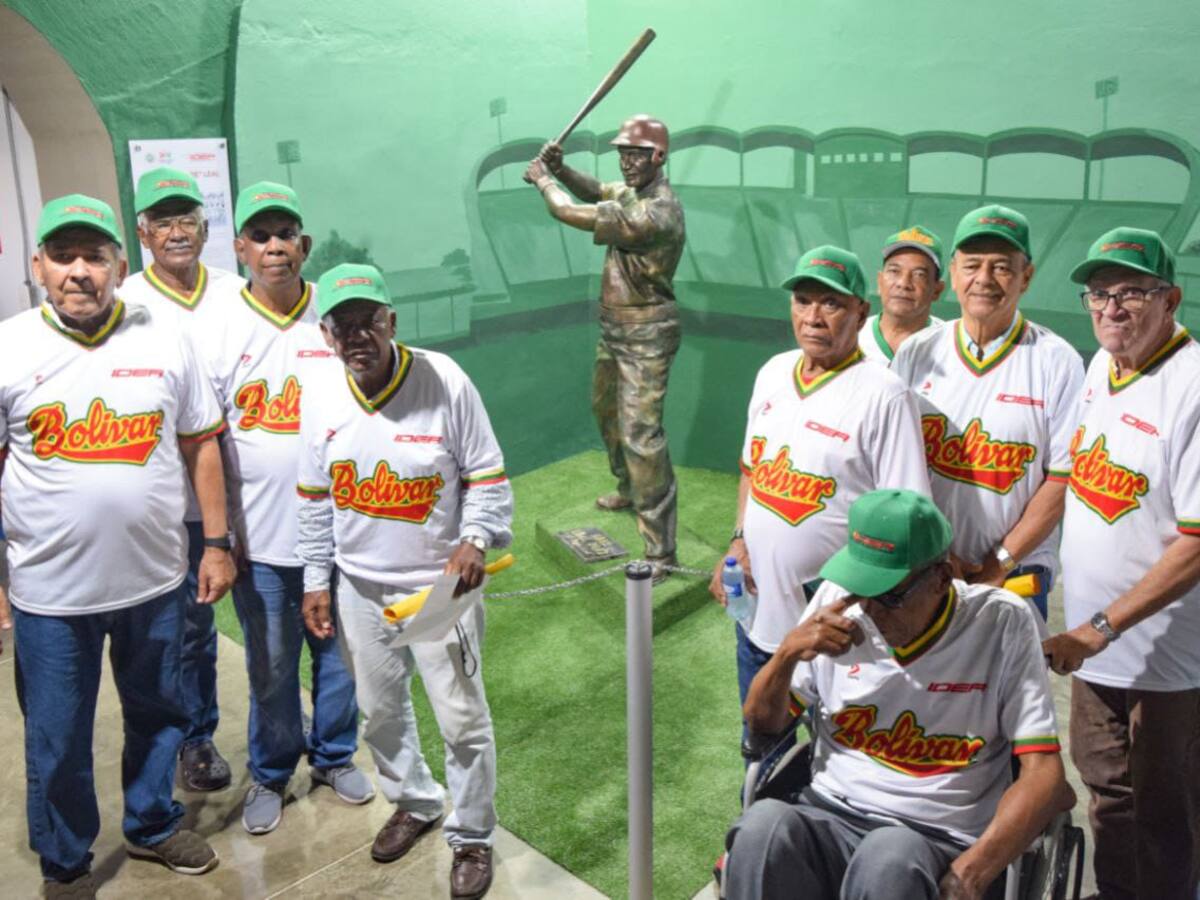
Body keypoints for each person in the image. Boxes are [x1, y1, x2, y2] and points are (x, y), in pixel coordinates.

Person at [0, 195, 235, 897]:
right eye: (63, 256)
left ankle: (154, 823)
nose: (80, 271)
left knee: (160, 715)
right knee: (57, 737)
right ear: (38, 266)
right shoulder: (9, 345)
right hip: (48, 594)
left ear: (118, 265)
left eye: (94, 257)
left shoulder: (164, 338)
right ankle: (66, 859)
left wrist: (216, 544)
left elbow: (201, 446)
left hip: (156, 580)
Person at [725, 489, 1073, 900]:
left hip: (938, 837)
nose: (868, 610)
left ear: (942, 578)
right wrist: (786, 654)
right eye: (860, 587)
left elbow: (1046, 778)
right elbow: (763, 724)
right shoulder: (836, 604)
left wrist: (974, 872)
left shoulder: (1001, 622)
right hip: (829, 812)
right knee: (761, 828)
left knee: (889, 857)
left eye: (889, 594)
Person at [297, 264, 512, 899]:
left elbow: (488, 474)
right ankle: (417, 801)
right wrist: (315, 579)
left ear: (392, 321)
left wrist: (474, 540)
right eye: (343, 324)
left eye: (370, 320)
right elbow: (314, 501)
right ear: (327, 334)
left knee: (461, 719)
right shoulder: (323, 396)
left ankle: (472, 835)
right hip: (359, 585)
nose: (358, 334)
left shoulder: (445, 380)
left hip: (438, 588)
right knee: (380, 714)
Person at [197, 181, 370, 835]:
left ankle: (333, 756)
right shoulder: (218, 327)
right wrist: (221, 535)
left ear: (306, 244)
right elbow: (207, 437)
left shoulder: (337, 311)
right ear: (240, 247)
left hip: (343, 531)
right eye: (261, 235)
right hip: (262, 537)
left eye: (286, 233)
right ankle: (271, 774)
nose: (276, 246)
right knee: (270, 665)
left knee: (339, 655)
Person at [708, 246, 930, 721]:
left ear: (860, 311)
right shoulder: (772, 372)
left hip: (833, 630)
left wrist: (850, 601)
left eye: (830, 303)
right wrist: (738, 542)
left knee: (835, 764)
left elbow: (904, 517)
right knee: (762, 745)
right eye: (803, 300)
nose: (813, 317)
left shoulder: (884, 394)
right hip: (757, 614)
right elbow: (752, 469)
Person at [1043, 228, 1200, 900]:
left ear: (1171, 298)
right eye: (1099, 294)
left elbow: (1196, 543)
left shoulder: (1191, 384)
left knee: (1167, 811)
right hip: (1097, 646)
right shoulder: (1100, 367)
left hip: (1167, 656)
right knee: (1107, 797)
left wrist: (1098, 627)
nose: (1111, 307)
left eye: (1131, 292)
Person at [891, 205, 1084, 619]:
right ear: (955, 274)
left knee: (1008, 684)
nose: (983, 279)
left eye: (1001, 267)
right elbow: (894, 465)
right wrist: (938, 553)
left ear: (1025, 277)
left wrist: (999, 563)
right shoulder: (916, 352)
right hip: (927, 568)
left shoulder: (1057, 360)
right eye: (972, 265)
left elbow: (1063, 478)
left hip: (1015, 572)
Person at [120, 166, 239, 792]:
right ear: (143, 234)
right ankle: (195, 739)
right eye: (162, 220)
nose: (175, 231)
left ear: (205, 225)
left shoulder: (233, 289)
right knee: (190, 632)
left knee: (275, 617)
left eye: (185, 218)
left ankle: (291, 732)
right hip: (176, 498)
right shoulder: (129, 302)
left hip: (244, 491)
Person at [523, 116, 684, 576]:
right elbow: (596, 191)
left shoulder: (657, 211)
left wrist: (544, 181)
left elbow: (570, 212)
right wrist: (565, 168)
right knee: (606, 413)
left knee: (641, 437)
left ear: (659, 156)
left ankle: (661, 552)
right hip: (615, 328)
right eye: (623, 153)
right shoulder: (634, 193)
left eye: (636, 154)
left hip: (647, 334)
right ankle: (628, 489)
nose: (627, 162)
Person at [860, 225, 945, 365]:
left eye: (919, 275)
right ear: (879, 281)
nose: (903, 283)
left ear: (937, 290)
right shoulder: (850, 340)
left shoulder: (949, 345)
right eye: (894, 271)